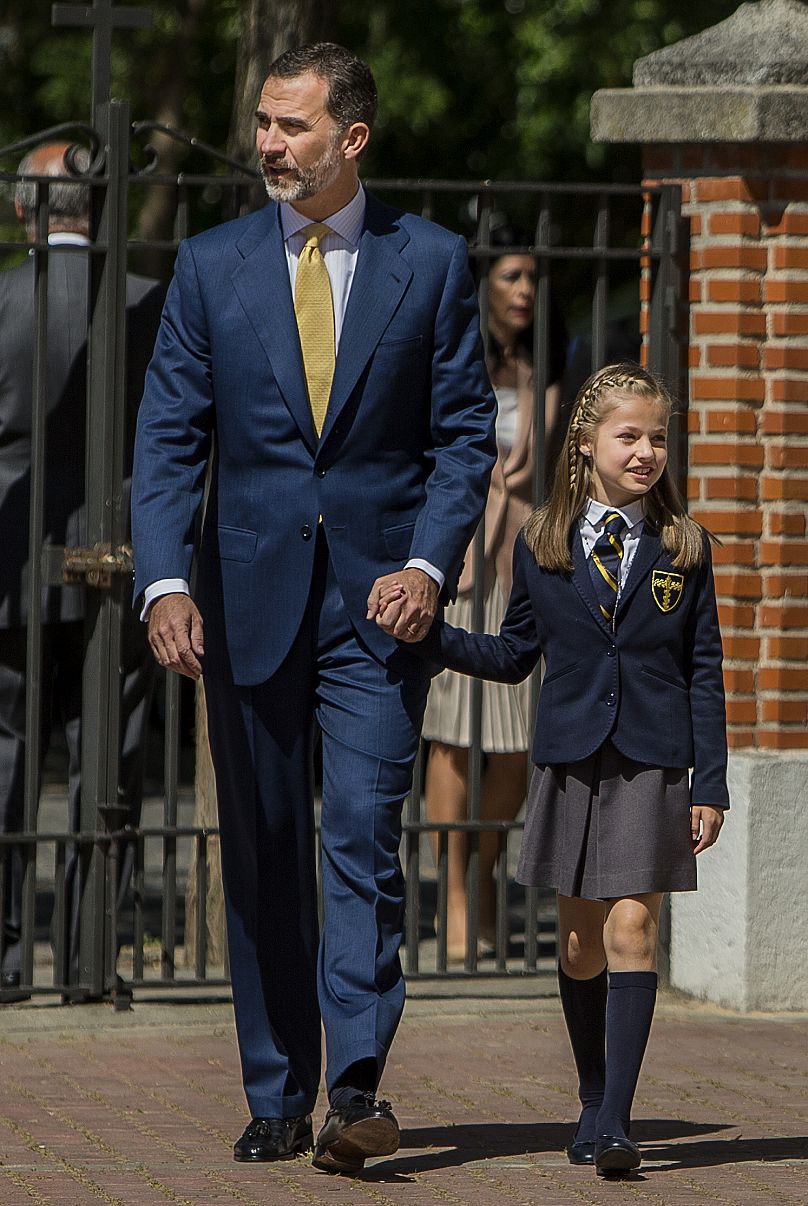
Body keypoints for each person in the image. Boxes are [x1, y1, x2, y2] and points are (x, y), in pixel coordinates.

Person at [131, 44, 496, 1175]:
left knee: (359, 840)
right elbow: (167, 437)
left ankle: (355, 1087)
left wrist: (431, 569)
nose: (267, 145)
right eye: (261, 123)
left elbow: (462, 439)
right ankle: (278, 1089)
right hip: (242, 603)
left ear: (352, 139)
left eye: (291, 126)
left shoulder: (428, 262)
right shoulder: (210, 265)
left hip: (380, 615)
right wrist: (166, 580)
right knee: (267, 849)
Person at [380, 363, 728, 1177]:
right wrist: (432, 639)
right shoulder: (543, 545)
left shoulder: (686, 545)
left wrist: (708, 783)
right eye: (629, 436)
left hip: (653, 758)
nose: (646, 452)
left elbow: (705, 669)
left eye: (658, 439)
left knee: (632, 927)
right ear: (586, 443)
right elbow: (512, 653)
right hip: (572, 759)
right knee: (578, 944)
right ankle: (590, 1093)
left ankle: (616, 1123)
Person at [0, 142, 163, 1004]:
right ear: (96, 212)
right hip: (121, 556)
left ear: (27, 211)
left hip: (13, 565)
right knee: (110, 757)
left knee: (7, 754)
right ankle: (94, 957)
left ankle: (5, 955)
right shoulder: (146, 303)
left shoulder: (2, 299)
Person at [422, 224, 566, 961]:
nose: (524, 291)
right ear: (483, 285)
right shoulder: (452, 366)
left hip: (516, 574)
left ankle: (483, 873)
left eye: (532, 279)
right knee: (450, 739)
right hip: (458, 571)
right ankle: (451, 895)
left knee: (515, 747)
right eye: (511, 276)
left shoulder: (544, 374)